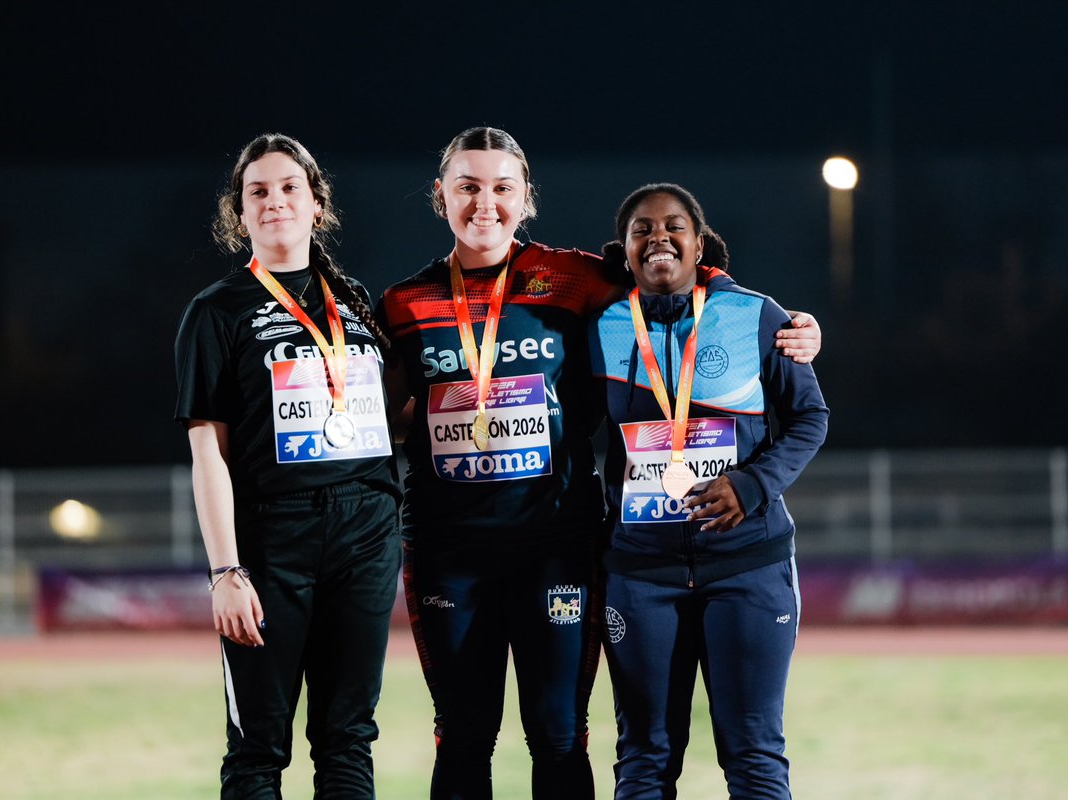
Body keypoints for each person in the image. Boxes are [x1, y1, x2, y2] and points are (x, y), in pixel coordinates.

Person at [375, 127, 822, 800]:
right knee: (464, 736)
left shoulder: (578, 278)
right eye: (467, 187)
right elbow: (384, 411)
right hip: (450, 546)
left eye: (502, 187)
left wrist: (790, 325)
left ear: (527, 198)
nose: (484, 203)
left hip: (556, 541)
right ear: (440, 196)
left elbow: (673, 276)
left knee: (560, 735)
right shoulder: (402, 304)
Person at [174, 133, 401, 799]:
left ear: (317, 205)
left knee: (348, 743)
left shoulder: (354, 300)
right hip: (275, 543)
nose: (274, 202)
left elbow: (385, 421)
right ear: (238, 214)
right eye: (258, 192)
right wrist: (225, 570)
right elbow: (207, 451)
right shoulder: (216, 311)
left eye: (288, 188)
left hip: (365, 536)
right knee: (256, 751)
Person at [588, 183, 829, 799]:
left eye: (674, 227)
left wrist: (751, 486)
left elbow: (810, 418)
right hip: (641, 573)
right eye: (642, 229)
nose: (658, 238)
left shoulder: (757, 314)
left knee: (752, 756)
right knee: (643, 758)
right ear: (626, 249)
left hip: (747, 566)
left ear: (699, 245)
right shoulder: (604, 326)